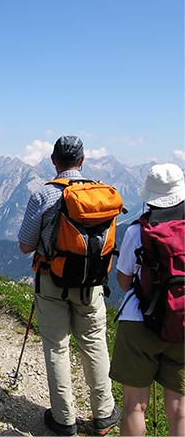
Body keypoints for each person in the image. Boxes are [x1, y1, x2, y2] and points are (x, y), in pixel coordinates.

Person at [18, 135, 120, 436]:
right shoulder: (102, 194)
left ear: (53, 161)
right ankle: (104, 414)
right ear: (83, 161)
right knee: (94, 344)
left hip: (53, 282)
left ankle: (64, 420)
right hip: (93, 285)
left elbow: (25, 245)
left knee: (57, 348)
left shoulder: (44, 195)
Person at [109, 163, 185, 436]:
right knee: (178, 407)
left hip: (139, 320)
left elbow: (123, 280)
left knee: (134, 406)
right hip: (183, 321)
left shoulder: (136, 231)